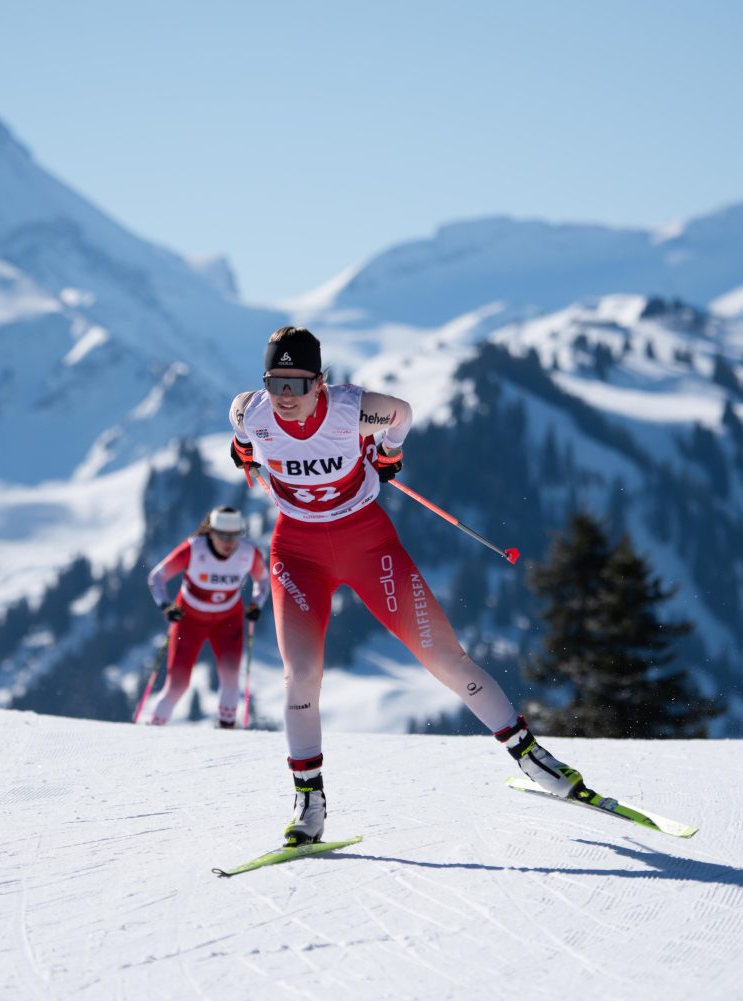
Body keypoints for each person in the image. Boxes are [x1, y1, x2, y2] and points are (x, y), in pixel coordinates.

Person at [229, 326, 590, 846]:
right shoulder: (252, 410)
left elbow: (402, 413)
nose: (285, 397)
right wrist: (242, 450)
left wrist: (389, 454)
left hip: (366, 541)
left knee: (445, 659)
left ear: (320, 382)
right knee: (300, 675)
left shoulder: (352, 411)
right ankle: (309, 801)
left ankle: (534, 758)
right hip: (297, 552)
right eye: (275, 383)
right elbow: (240, 423)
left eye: (297, 384)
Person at [145, 506, 269, 728]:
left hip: (227, 622)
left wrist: (257, 604)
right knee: (178, 685)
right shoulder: (194, 550)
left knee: (231, 681)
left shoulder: (248, 553)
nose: (229, 542)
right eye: (223, 535)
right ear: (210, 532)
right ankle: (152, 730)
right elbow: (156, 577)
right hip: (189, 621)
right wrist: (165, 605)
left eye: (234, 535)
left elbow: (263, 580)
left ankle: (225, 735)